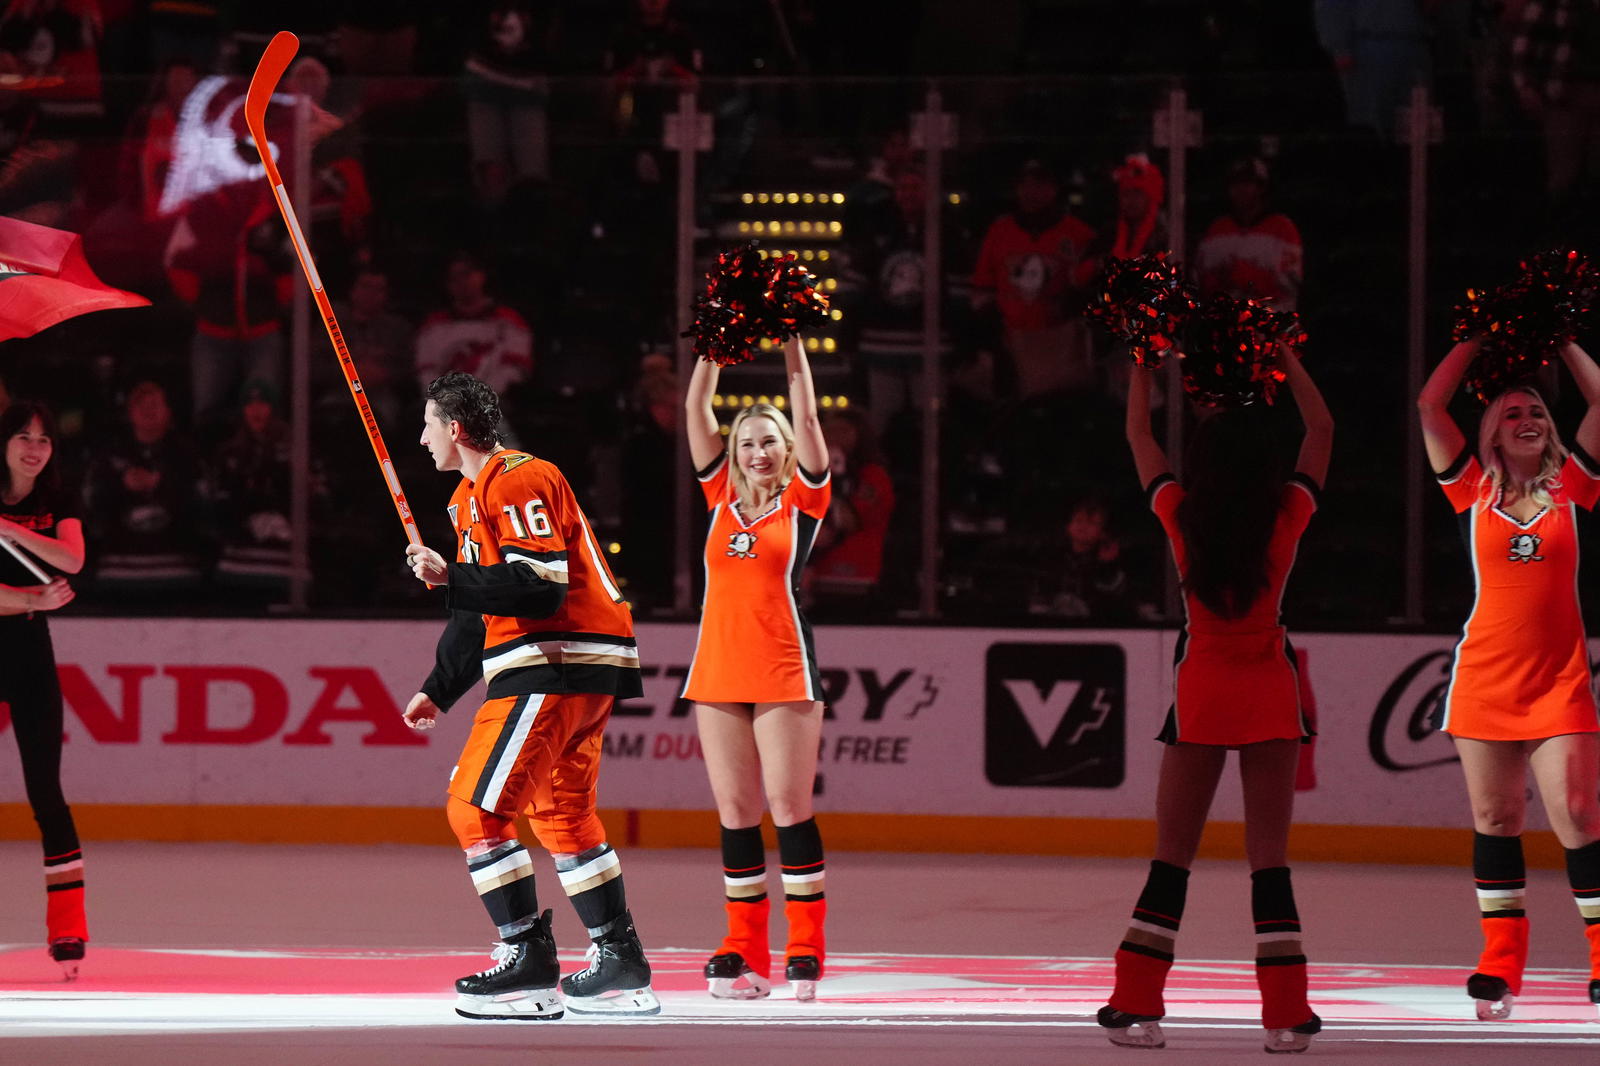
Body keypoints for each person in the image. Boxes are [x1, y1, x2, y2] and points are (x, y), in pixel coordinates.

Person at [401, 371, 657, 1021]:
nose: (421, 436)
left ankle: (527, 964)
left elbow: (539, 586)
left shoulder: (516, 478)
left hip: (554, 661)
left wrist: (452, 575)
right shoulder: (469, 498)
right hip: (574, 664)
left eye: (427, 423)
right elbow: (473, 614)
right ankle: (619, 963)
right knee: (563, 819)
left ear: (455, 429)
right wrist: (440, 686)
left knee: (475, 811)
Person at [1101, 347, 1333, 1053]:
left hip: (1202, 696)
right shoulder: (1286, 516)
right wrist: (1289, 354)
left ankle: (1138, 1006)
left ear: (1200, 463)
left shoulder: (1181, 515)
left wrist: (1141, 363)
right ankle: (1286, 1018)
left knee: (1173, 859)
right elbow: (1320, 430)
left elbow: (1140, 438)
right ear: (1264, 467)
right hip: (1268, 694)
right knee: (1270, 861)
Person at [1417, 337, 1600, 1020]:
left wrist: (1560, 340)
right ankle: (1500, 966)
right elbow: (1431, 403)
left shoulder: (1574, 487)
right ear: (1493, 428)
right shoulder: (1471, 488)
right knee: (1497, 818)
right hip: (1485, 682)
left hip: (1560, 683)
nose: (1529, 420)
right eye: (1514, 412)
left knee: (1579, 816)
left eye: (1538, 413)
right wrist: (1475, 339)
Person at [682, 335, 831, 1002]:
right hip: (716, 671)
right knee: (737, 812)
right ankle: (741, 948)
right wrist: (717, 342)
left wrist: (793, 345)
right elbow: (695, 408)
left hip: (783, 672)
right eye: (746, 441)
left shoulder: (804, 503)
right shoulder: (718, 496)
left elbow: (807, 414)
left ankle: (805, 946)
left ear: (787, 449)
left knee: (788, 808)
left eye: (768, 440)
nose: (757, 451)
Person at [0, 401, 87, 978]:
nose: (34, 448)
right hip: (21, 625)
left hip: (31, 655)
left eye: (44, 440)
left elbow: (72, 560)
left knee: (47, 795)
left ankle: (69, 930)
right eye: (22, 437)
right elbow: (41, 591)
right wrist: (32, 599)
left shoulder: (58, 502)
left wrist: (6, 529)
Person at [1193, 157, 1304, 313]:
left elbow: (1291, 284)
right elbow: (1201, 279)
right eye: (1235, 184)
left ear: (1261, 188)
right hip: (1228, 324)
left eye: (1247, 184)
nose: (1240, 190)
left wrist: (1246, 277)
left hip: (1271, 323)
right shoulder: (1217, 229)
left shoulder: (1282, 228)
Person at [809, 407, 894, 605]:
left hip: (855, 578)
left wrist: (835, 482)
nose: (833, 436)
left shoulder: (873, 476)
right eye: (828, 430)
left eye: (842, 430)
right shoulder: (810, 475)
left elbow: (847, 519)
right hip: (813, 578)